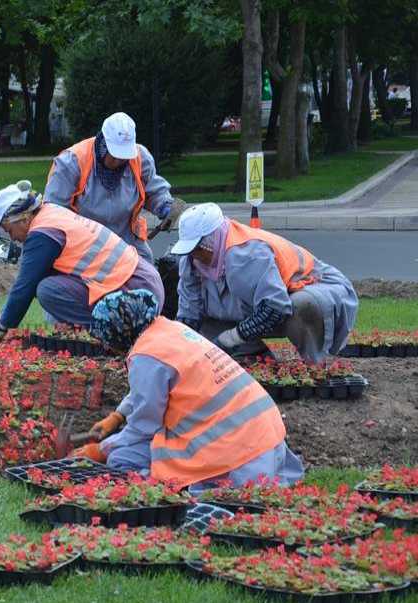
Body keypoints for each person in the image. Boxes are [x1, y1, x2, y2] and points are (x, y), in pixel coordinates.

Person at [71, 289, 304, 490]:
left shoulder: (146, 357)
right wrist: (117, 416)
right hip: (264, 435)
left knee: (121, 459)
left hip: (234, 449)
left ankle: (161, 488)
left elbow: (144, 426)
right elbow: (151, 387)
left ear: (117, 336)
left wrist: (102, 449)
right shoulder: (167, 330)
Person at [172, 203, 358, 363]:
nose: (194, 256)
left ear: (213, 240)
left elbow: (275, 309)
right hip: (270, 301)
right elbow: (190, 314)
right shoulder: (191, 261)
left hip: (317, 286)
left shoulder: (245, 255)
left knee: (302, 305)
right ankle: (255, 357)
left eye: (198, 249)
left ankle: (317, 365)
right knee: (205, 324)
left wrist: (232, 337)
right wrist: (178, 350)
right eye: (190, 250)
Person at [0, 181, 165, 341]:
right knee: (47, 282)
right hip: (146, 283)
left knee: (46, 290)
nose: (12, 238)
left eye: (8, 230)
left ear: (21, 219)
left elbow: (25, 286)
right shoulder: (51, 212)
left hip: (136, 292)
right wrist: (3, 316)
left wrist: (2, 328)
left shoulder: (42, 233)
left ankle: (116, 334)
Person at [43, 112, 183, 264]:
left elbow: (154, 191)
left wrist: (164, 206)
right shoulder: (72, 162)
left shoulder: (140, 158)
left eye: (123, 157)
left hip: (126, 239)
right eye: (114, 155)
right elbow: (53, 211)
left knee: (148, 274)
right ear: (103, 143)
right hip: (84, 243)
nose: (118, 161)